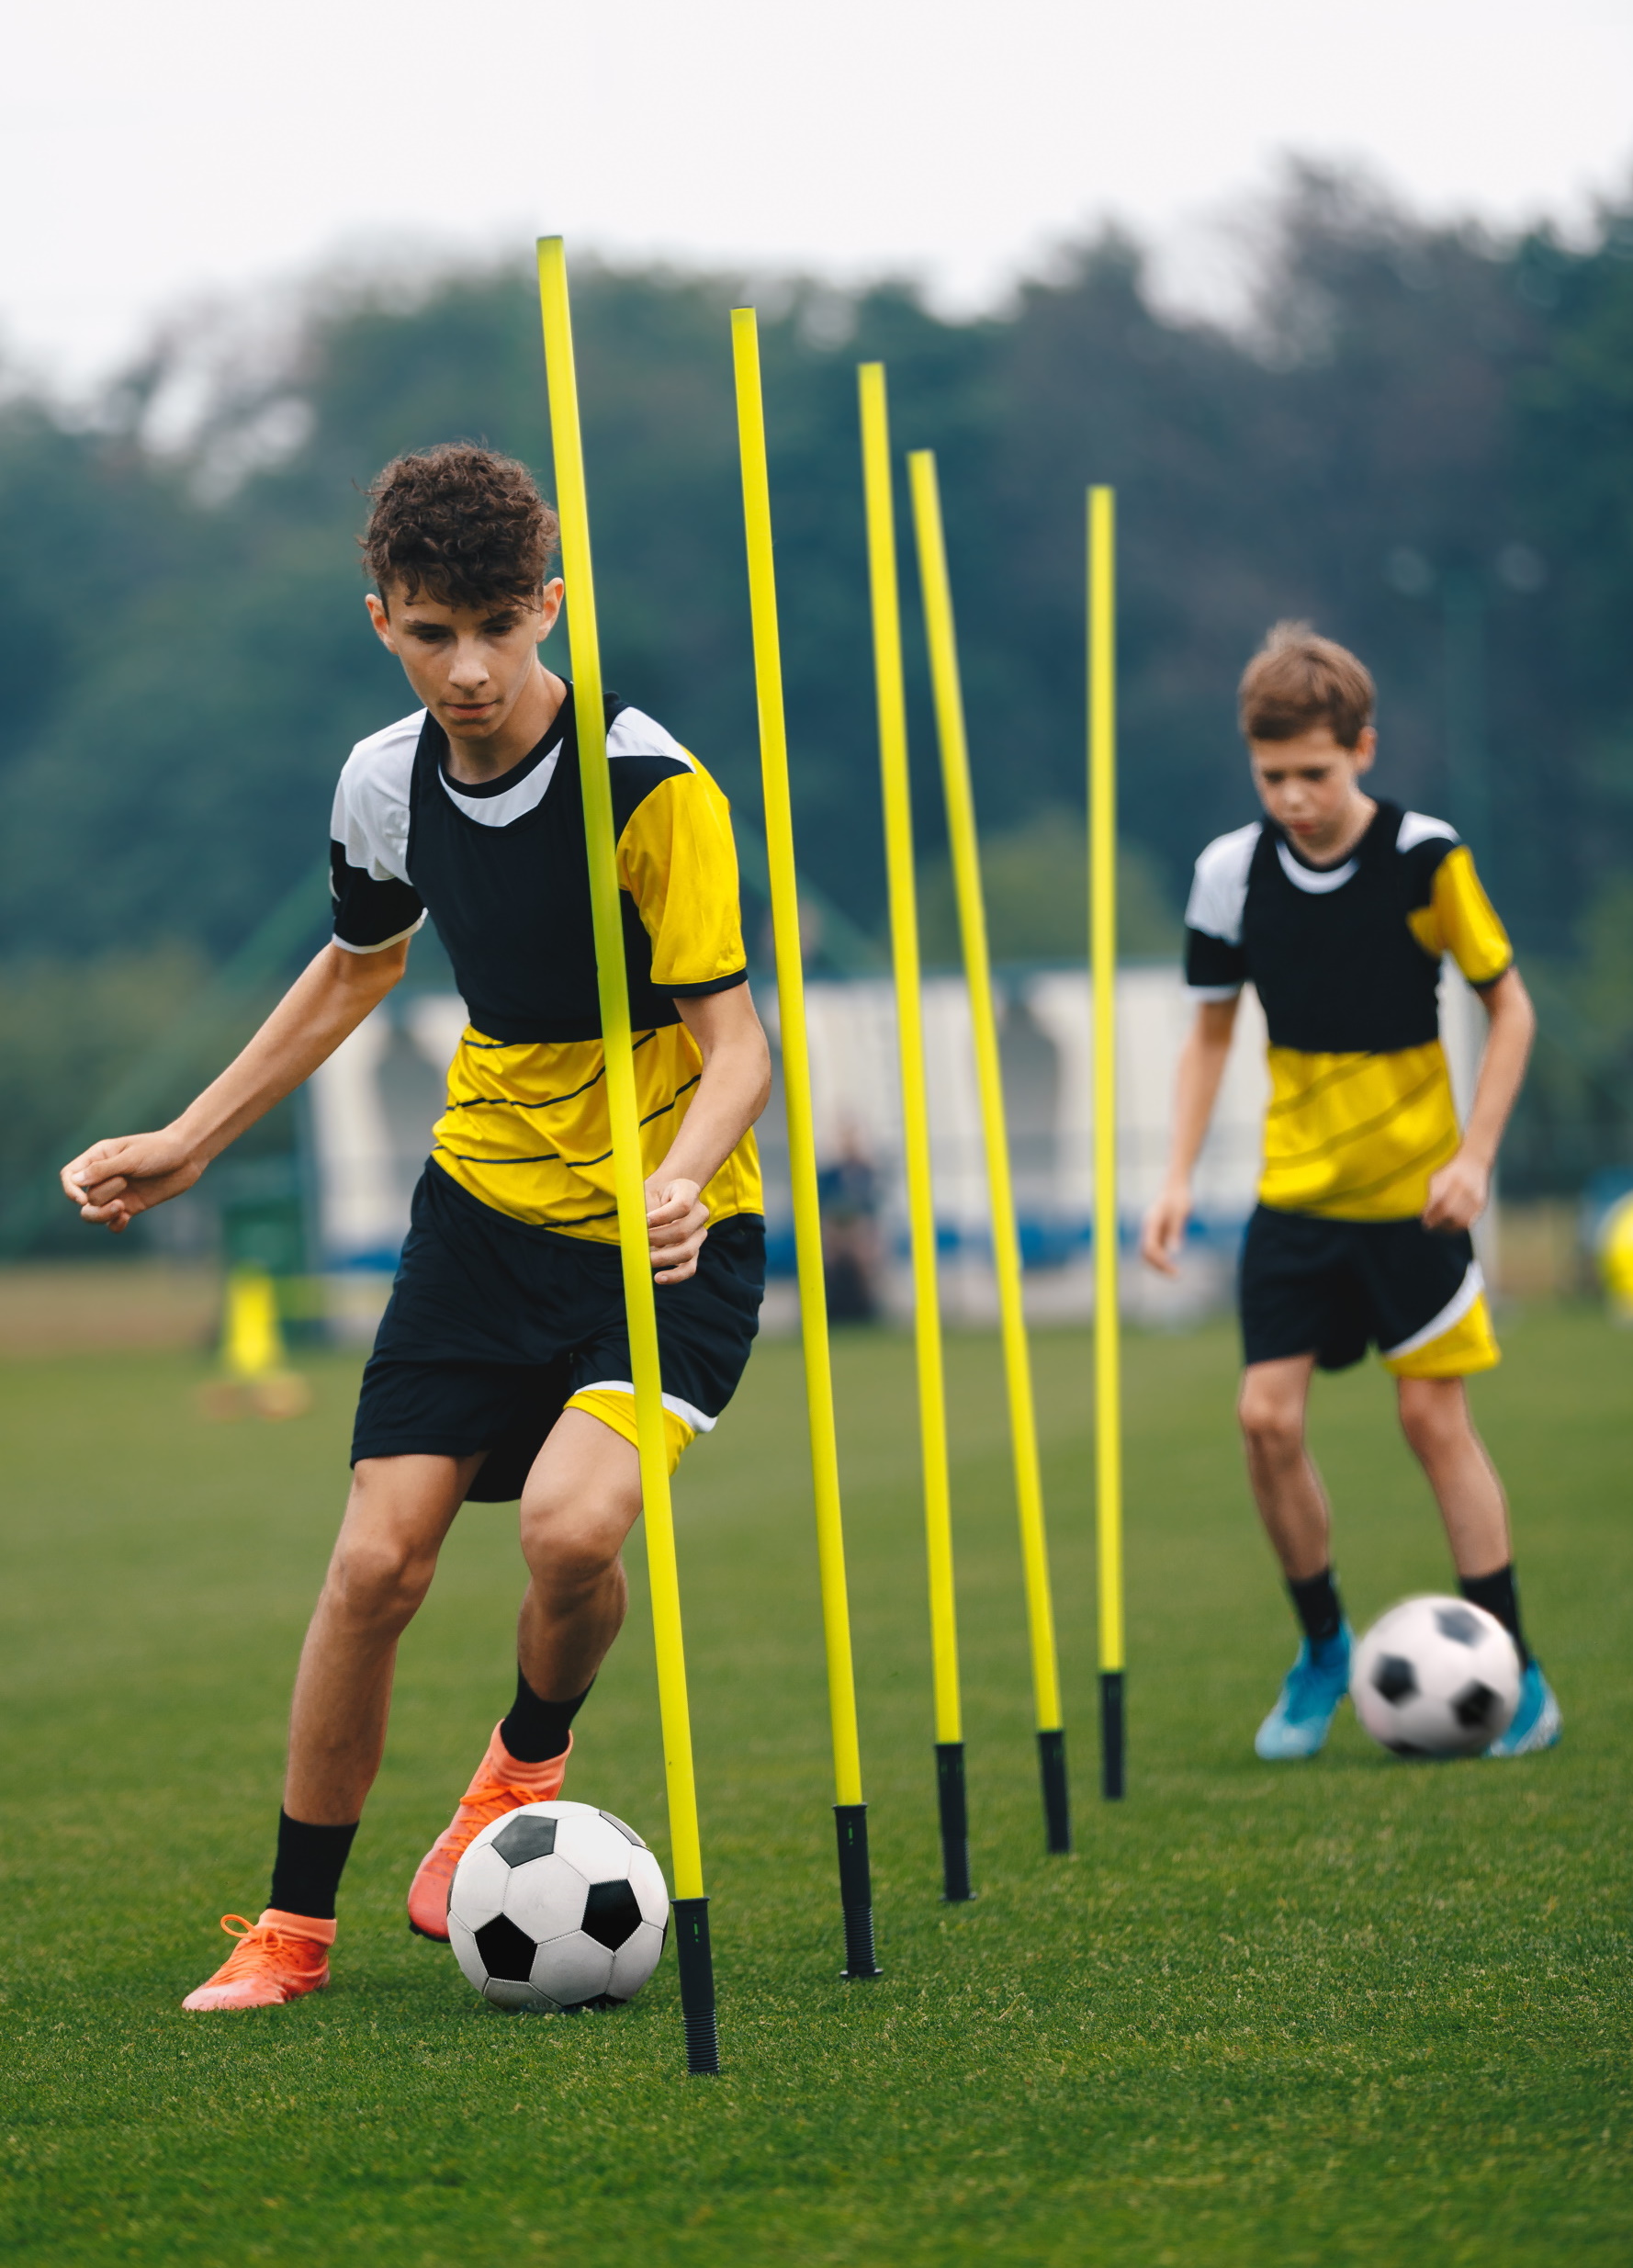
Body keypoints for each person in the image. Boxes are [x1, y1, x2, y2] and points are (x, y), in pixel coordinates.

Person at [62, 444, 771, 2007]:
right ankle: (291, 1930)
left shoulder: (650, 785)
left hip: (668, 1230)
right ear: (378, 614)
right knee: (375, 1560)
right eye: (429, 628)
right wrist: (187, 1135)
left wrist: (678, 1172)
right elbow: (355, 967)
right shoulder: (380, 780)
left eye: (497, 628)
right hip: (482, 1219)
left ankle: (522, 1764)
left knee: (574, 1526)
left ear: (550, 611)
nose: (465, 667)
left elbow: (741, 1042)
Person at [1141, 623, 1560, 1762]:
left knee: (1432, 1420)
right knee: (1261, 1418)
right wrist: (1174, 1178)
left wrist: (1471, 1157)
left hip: (1413, 1202)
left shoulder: (1426, 857)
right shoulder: (1229, 874)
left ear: (1360, 750)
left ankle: (1512, 1667)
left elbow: (1507, 1006)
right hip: (1294, 1199)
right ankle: (1322, 1648)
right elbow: (1208, 1036)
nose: (1293, 800)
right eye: (1272, 777)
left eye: (1314, 775)